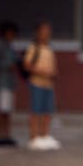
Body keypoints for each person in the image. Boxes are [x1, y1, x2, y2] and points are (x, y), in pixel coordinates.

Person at [24, 21, 60, 151]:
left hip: (48, 85)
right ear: (38, 33)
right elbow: (27, 65)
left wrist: (53, 73)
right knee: (36, 111)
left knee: (47, 111)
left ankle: (44, 136)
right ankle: (33, 137)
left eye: (48, 31)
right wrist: (42, 72)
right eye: (44, 31)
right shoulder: (34, 48)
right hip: (37, 83)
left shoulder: (50, 48)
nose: (46, 33)